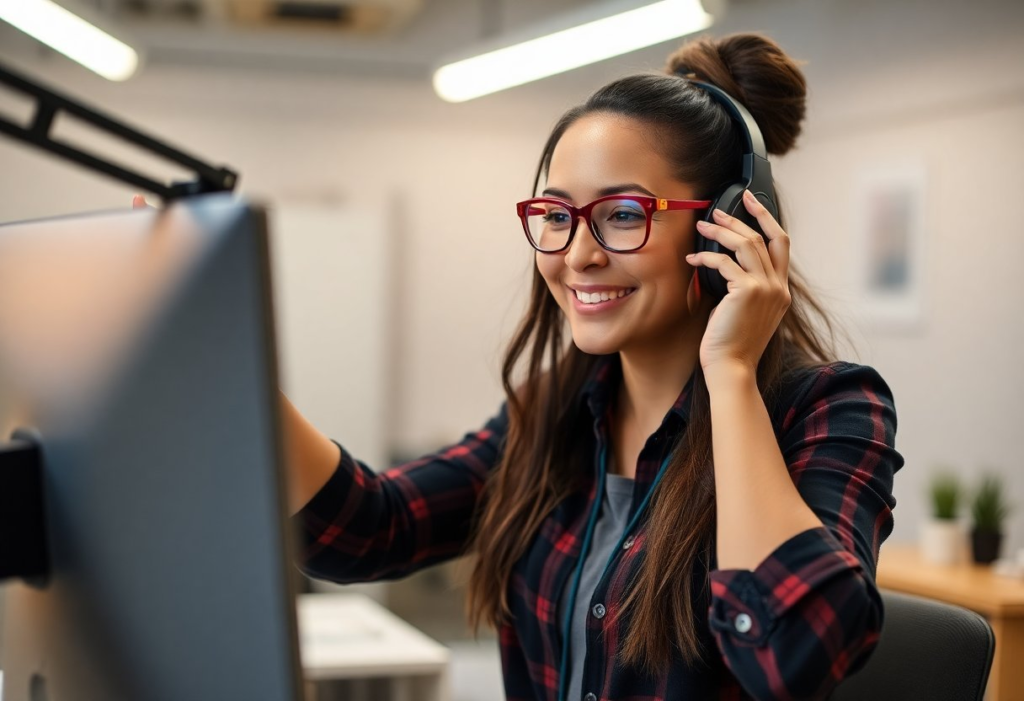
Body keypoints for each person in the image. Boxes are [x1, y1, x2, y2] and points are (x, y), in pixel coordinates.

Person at [282, 32, 904, 701]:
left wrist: (729, 374)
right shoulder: (564, 404)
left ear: (726, 228)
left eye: (623, 213)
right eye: (556, 214)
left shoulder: (829, 408)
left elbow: (796, 655)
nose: (577, 254)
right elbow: (370, 529)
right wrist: (236, 367)